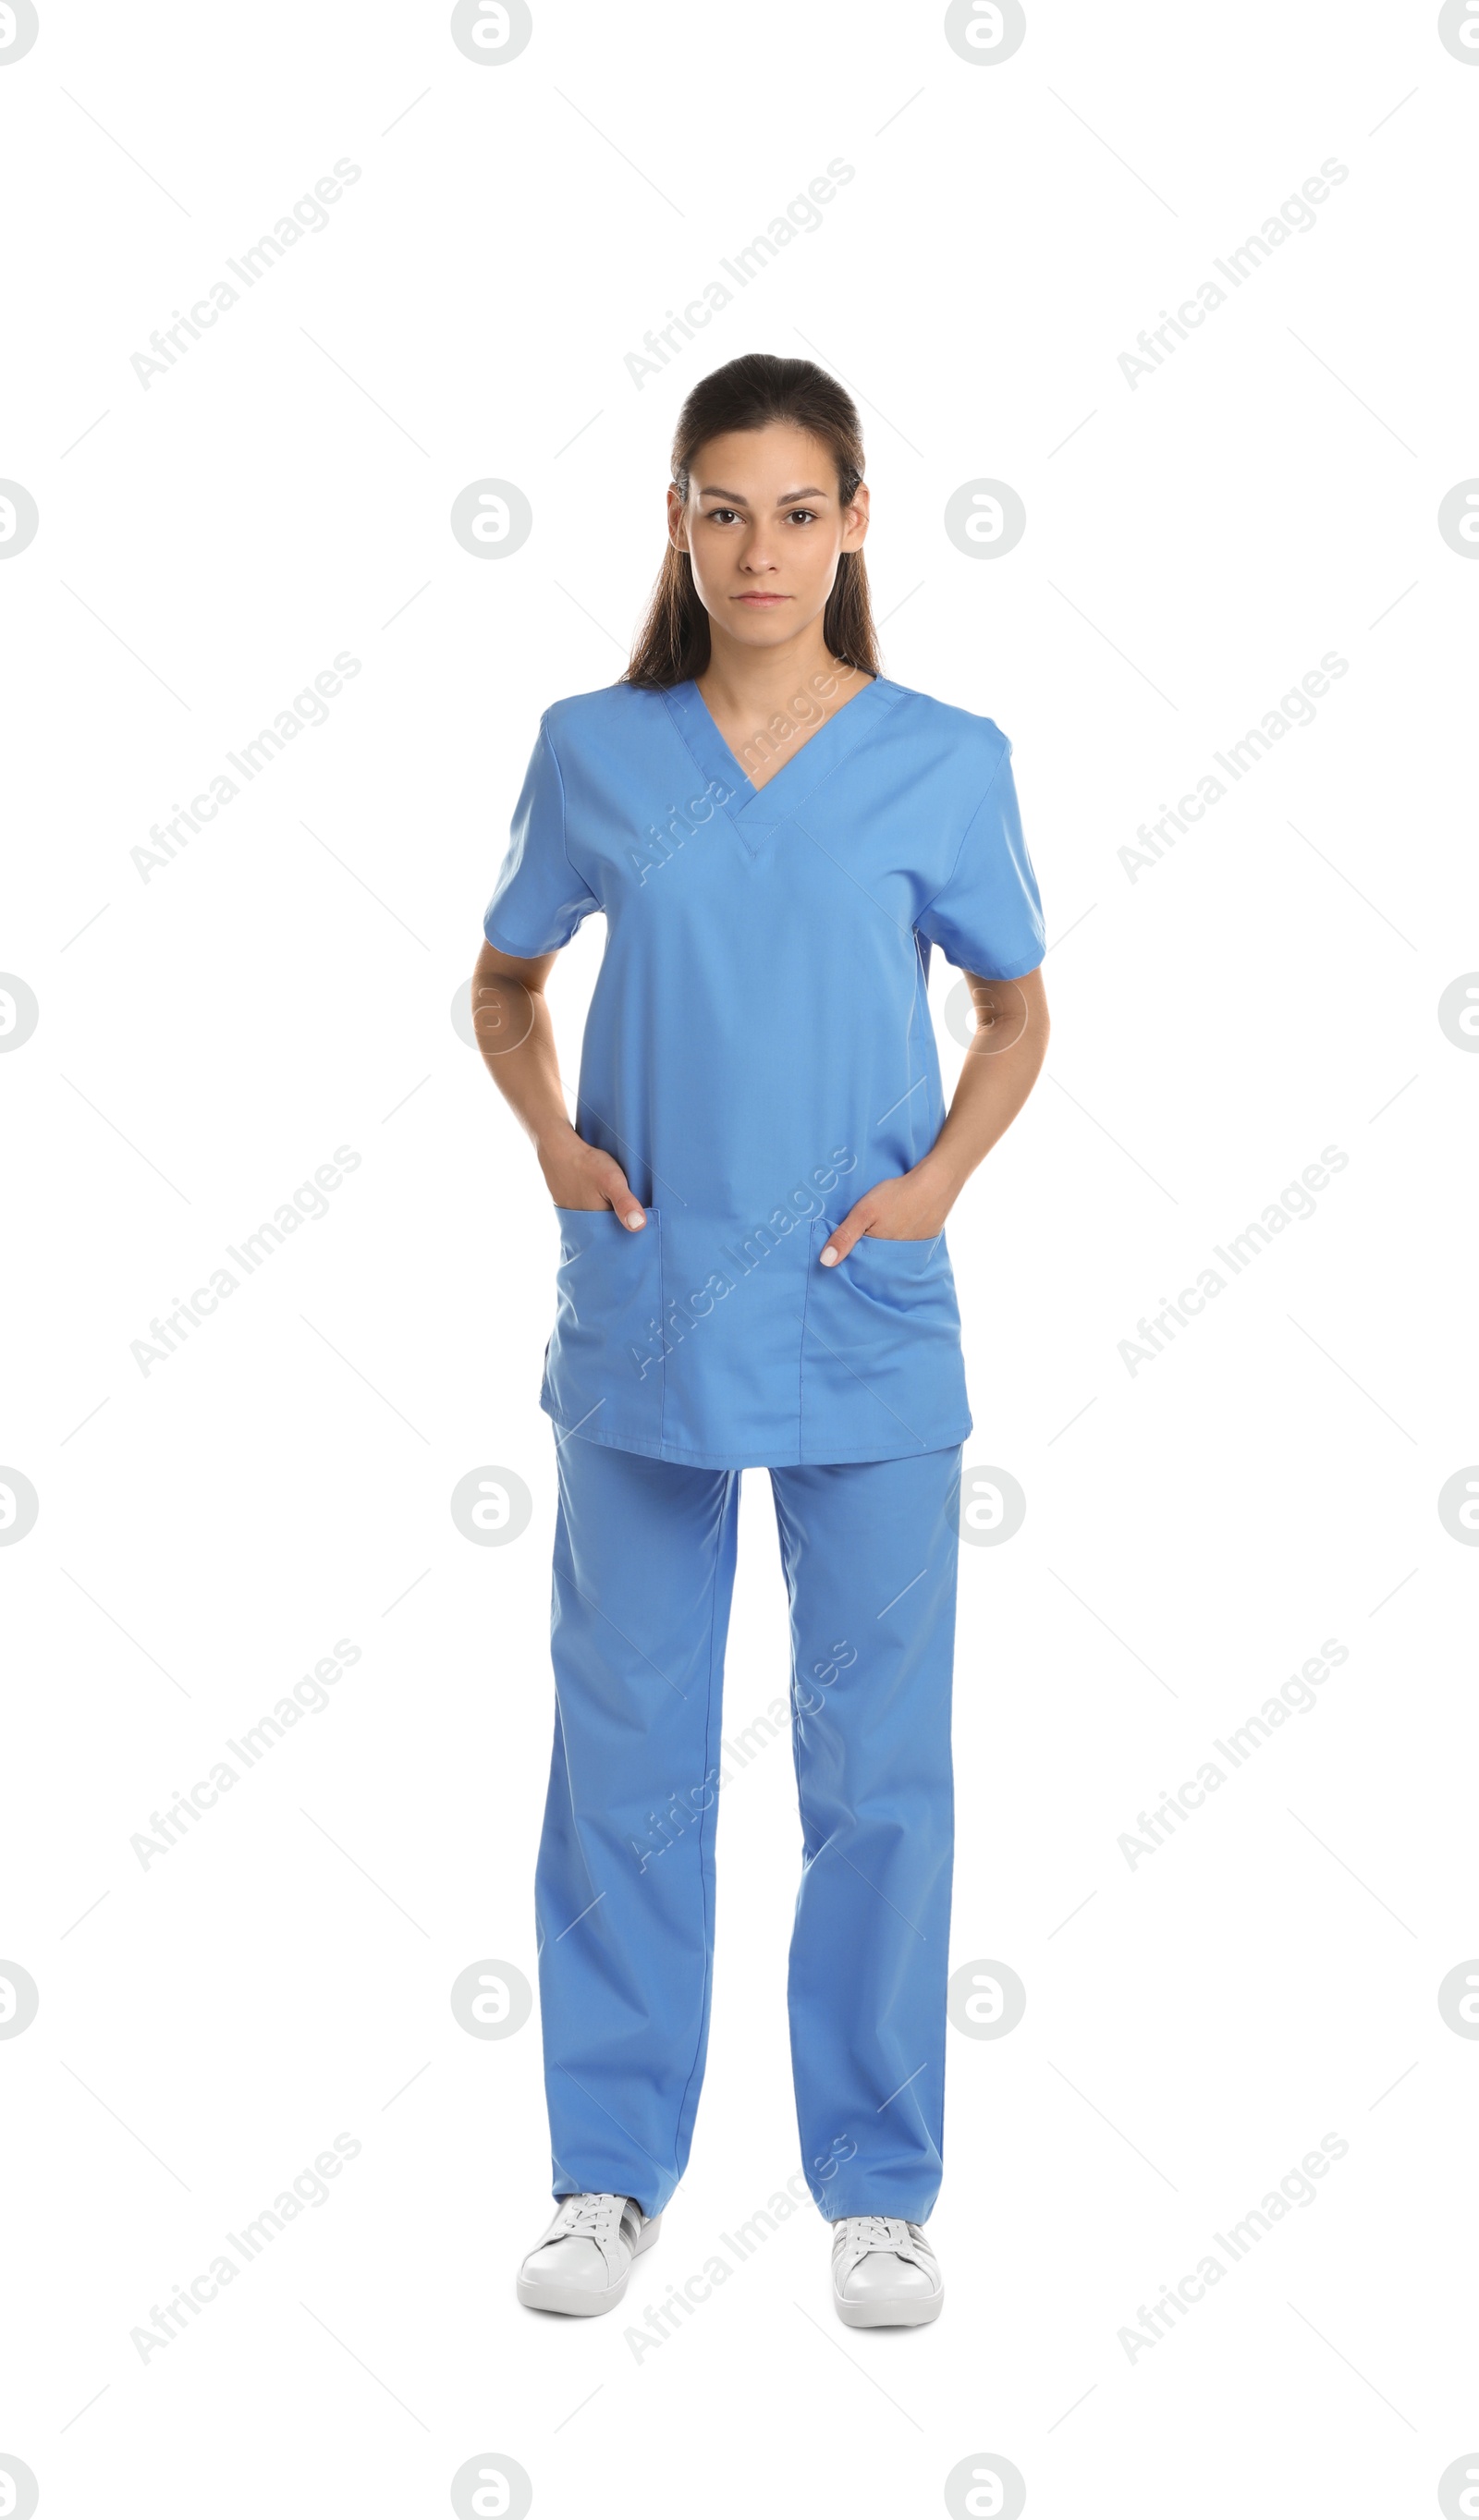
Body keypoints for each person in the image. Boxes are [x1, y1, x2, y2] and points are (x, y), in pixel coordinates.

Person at [473, 352, 1048, 2330]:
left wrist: (934, 1187)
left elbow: (1016, 1011)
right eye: (721, 507)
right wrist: (554, 1139)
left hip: (862, 1313)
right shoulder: (594, 750)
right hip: (644, 1306)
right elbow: (501, 981)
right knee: (625, 1754)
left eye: (799, 509)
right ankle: (606, 2172)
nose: (759, 547)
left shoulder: (941, 759)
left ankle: (875, 2187)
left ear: (859, 521)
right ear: (675, 521)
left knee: (876, 1765)